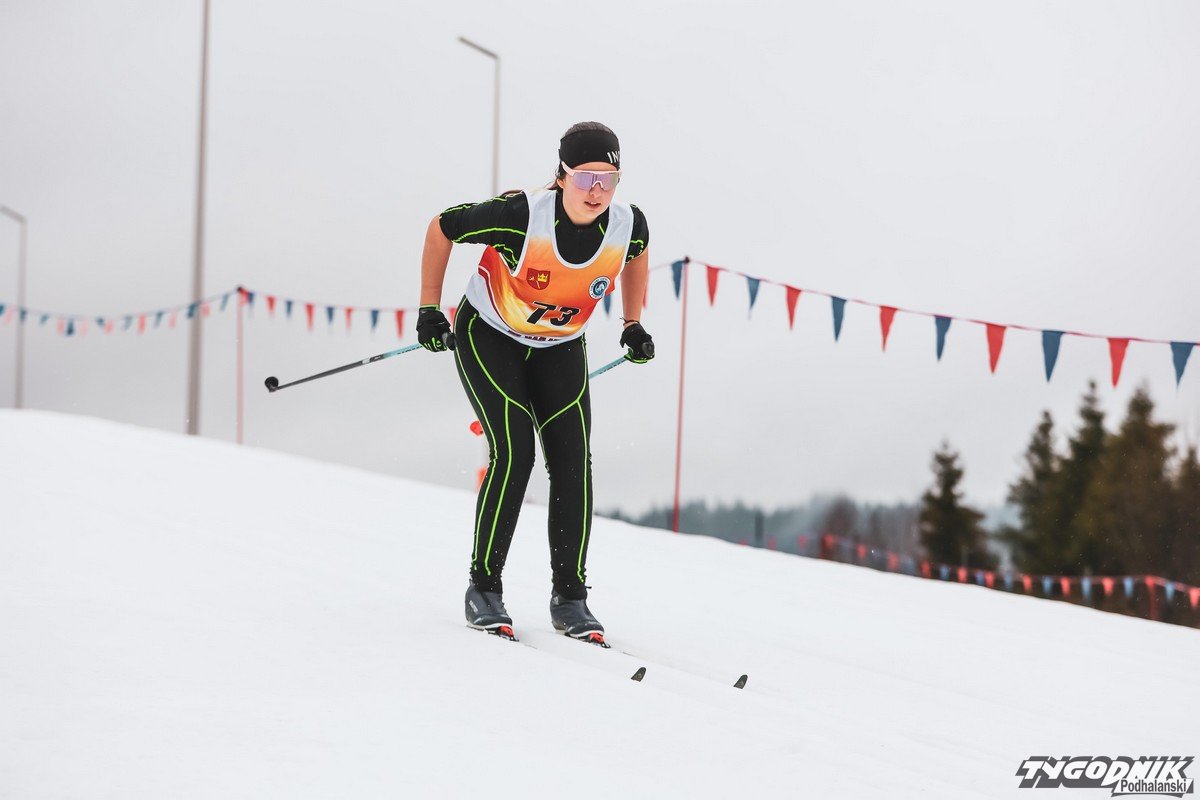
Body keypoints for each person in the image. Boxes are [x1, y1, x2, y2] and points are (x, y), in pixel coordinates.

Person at [416, 121, 654, 646]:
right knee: (515, 451)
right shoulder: (520, 216)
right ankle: (484, 588)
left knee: (572, 460)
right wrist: (429, 308)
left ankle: (570, 598)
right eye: (586, 177)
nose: (597, 190)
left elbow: (636, 255)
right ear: (562, 175)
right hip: (489, 335)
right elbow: (442, 227)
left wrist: (632, 322)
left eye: (608, 179)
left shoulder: (627, 224)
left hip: (560, 345)